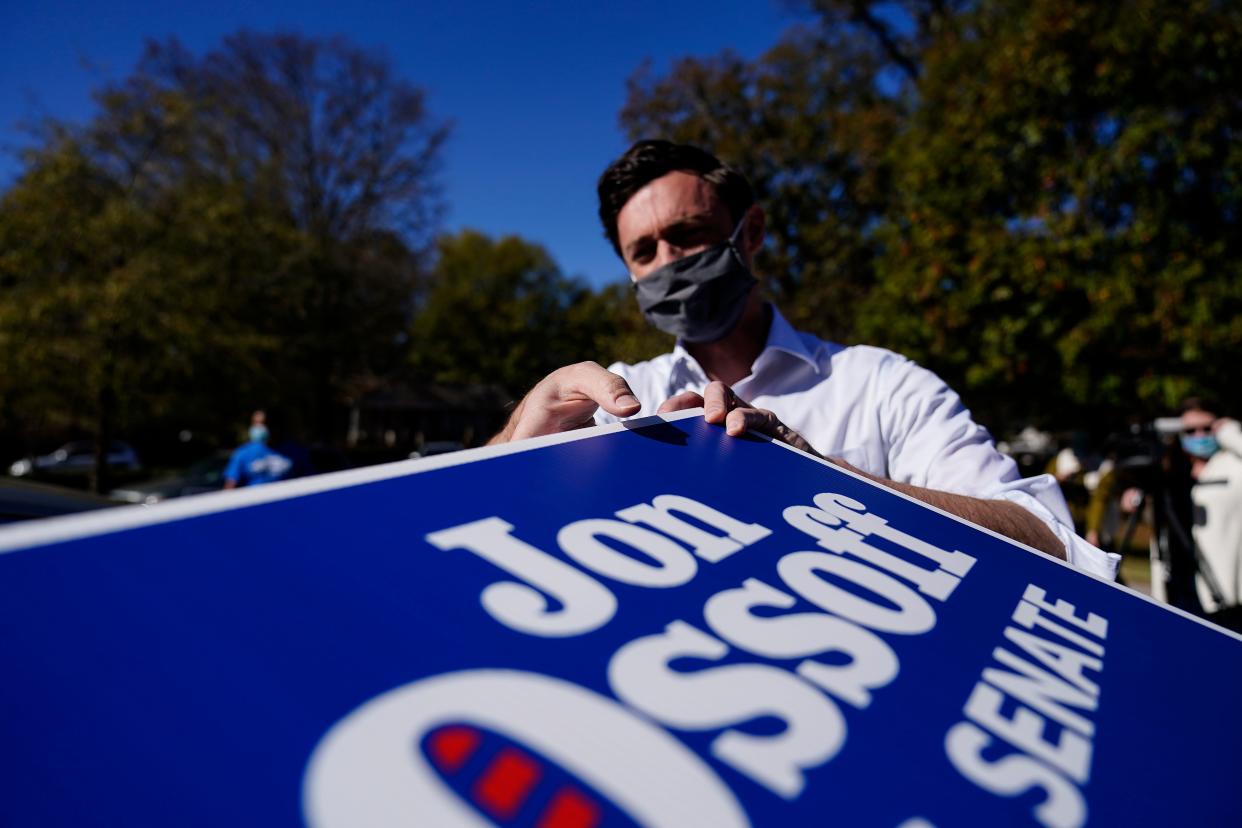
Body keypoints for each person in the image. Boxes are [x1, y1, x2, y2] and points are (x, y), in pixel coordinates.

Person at [489, 140, 1117, 579]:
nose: (668, 264)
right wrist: (516, 438)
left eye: (687, 235)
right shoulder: (620, 399)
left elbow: (1052, 541)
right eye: (644, 252)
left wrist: (828, 484)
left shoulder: (880, 384)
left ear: (751, 232)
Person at [1178, 399, 1242, 620]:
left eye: (1207, 428)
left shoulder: (1234, 465)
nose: (1199, 436)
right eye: (1190, 430)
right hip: (1179, 587)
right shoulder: (1173, 471)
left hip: (1224, 594)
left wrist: (1231, 434)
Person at [223, 420, 293, 489]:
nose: (260, 427)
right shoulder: (243, 453)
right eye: (257, 423)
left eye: (263, 423)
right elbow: (231, 482)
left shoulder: (291, 450)